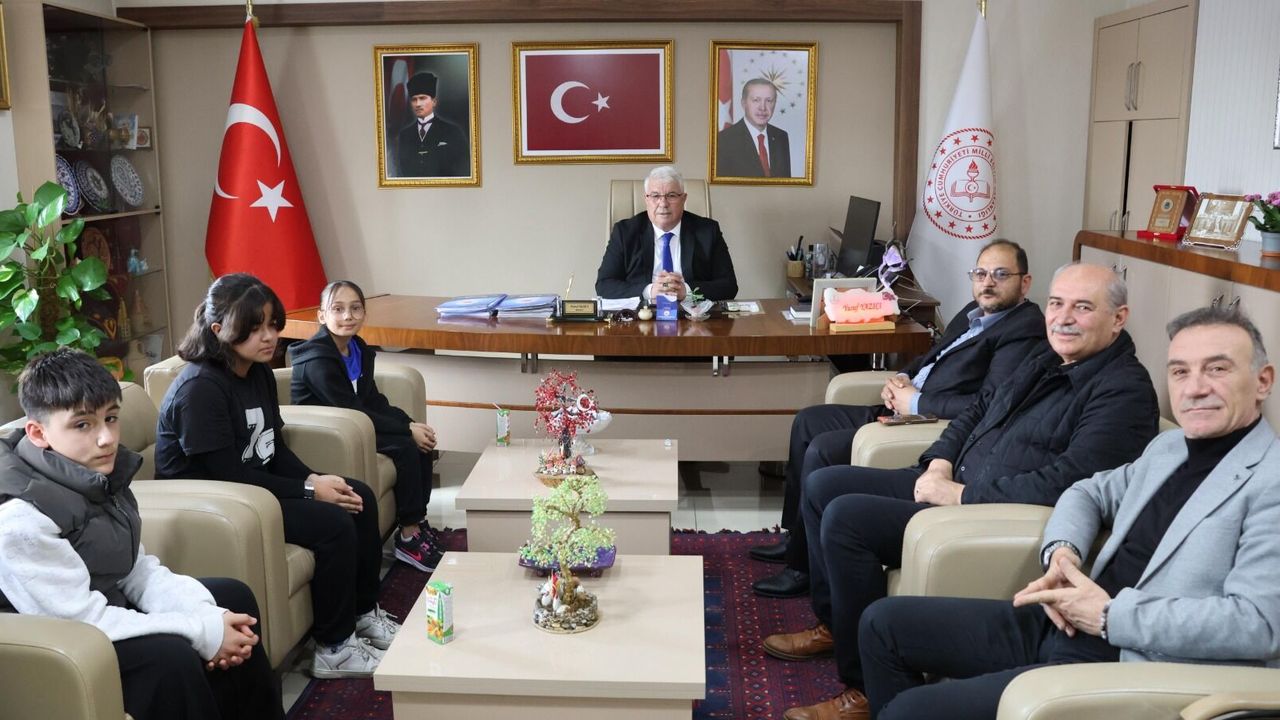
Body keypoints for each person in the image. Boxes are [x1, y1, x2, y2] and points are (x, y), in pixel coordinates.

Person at [773, 262, 1161, 720]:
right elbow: (977, 410)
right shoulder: (1046, 359)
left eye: (1083, 307)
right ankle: (836, 627)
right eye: (1057, 304)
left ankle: (861, 689)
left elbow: (1067, 482)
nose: (1063, 318)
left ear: (1118, 318)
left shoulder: (1123, 391)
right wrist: (939, 460)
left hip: (980, 509)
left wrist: (958, 496)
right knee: (824, 485)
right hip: (950, 479)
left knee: (846, 519)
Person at [856, 305, 1278, 720]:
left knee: (909, 711)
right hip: (1067, 619)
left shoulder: (1270, 481)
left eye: (1217, 369)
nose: (1195, 388)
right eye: (1180, 371)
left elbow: (1258, 624)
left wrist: (1110, 616)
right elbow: (1087, 491)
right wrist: (1063, 552)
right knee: (881, 624)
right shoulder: (1170, 448)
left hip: (1130, 660)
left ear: (1263, 382)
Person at [751, 239, 1048, 599]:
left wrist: (916, 401)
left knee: (823, 449)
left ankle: (802, 569)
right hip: (901, 404)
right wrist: (902, 376)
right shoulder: (975, 311)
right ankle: (796, 540)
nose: (987, 282)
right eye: (980, 273)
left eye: (1000, 275)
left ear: (1025, 282)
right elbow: (934, 355)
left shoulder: (1022, 330)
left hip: (923, 419)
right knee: (808, 422)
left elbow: (988, 404)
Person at [0, 348, 282, 720]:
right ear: (38, 433)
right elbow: (81, 618)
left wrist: (208, 619)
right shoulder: (20, 517)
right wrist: (201, 632)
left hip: (100, 606)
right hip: (55, 639)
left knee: (232, 596)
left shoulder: (97, 475)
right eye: (82, 425)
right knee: (172, 657)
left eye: (111, 418)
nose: (106, 438)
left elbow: (135, 569)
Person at [154, 273, 396, 679]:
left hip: (256, 489)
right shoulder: (200, 389)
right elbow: (227, 474)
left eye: (272, 324)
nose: (269, 337)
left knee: (358, 497)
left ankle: (362, 614)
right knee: (333, 523)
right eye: (255, 328)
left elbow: (274, 448)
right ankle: (334, 649)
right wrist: (308, 491)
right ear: (219, 330)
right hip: (219, 502)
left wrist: (316, 479)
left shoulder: (258, 372)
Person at [289, 280, 444, 573]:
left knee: (420, 441)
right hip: (331, 434)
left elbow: (372, 400)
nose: (348, 316)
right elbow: (351, 409)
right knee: (404, 446)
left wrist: (409, 423)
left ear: (364, 313)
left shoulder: (357, 348)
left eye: (355, 308)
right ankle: (408, 538)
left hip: (356, 426)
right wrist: (405, 431)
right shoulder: (317, 360)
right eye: (338, 309)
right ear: (321, 315)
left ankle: (417, 523)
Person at [595, 165, 738, 301]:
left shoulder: (708, 231)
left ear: (683, 199)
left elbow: (729, 285)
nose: (663, 203)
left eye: (671, 195)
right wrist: (650, 291)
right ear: (646, 199)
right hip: (642, 313)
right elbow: (604, 285)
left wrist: (687, 291)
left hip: (692, 313)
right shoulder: (624, 232)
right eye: (655, 196)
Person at [394, 72, 469, 178]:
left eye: (422, 98)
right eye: (414, 99)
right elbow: (400, 172)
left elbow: (464, 168)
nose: (418, 104)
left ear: (434, 102)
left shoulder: (453, 131)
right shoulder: (404, 135)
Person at [717, 79, 792, 178]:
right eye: (756, 100)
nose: (762, 108)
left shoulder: (781, 137)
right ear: (743, 103)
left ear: (775, 103)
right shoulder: (724, 140)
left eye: (769, 101)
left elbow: (785, 183)